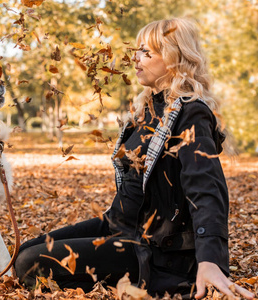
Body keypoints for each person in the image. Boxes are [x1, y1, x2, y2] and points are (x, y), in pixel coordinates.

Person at [14, 18, 254, 299]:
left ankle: (148, 284)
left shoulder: (191, 113)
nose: (135, 58)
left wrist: (210, 259)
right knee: (26, 250)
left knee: (29, 264)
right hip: (119, 227)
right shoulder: (146, 111)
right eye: (137, 51)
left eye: (147, 52)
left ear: (174, 59)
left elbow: (206, 190)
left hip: (158, 251)